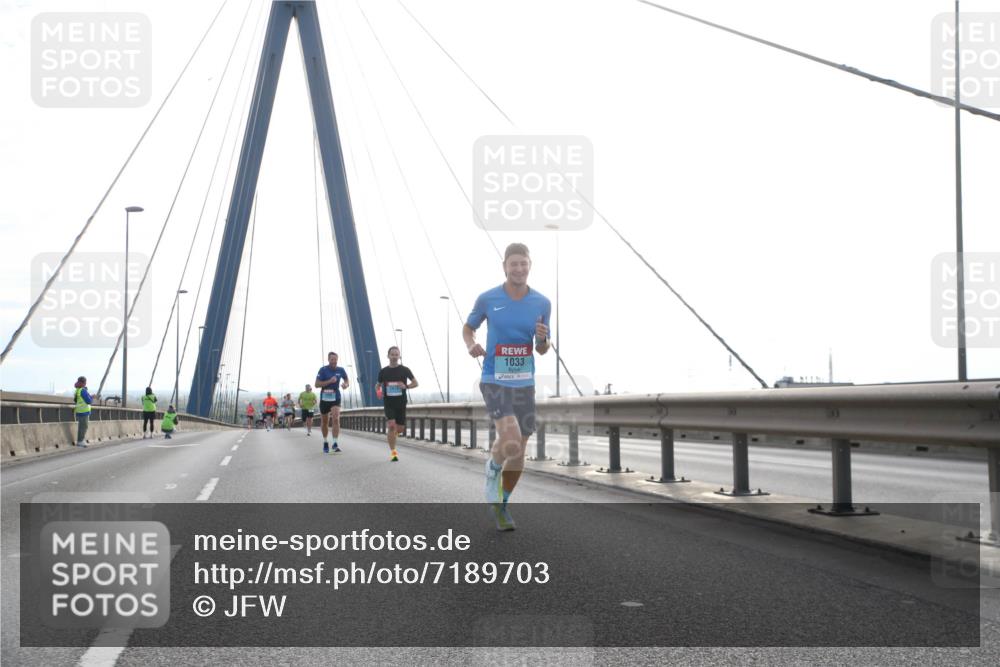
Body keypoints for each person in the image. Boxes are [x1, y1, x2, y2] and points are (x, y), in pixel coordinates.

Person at [463, 242, 550, 531]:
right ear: (505, 266)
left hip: (524, 382)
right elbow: (468, 327)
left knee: (519, 447)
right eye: (513, 264)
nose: (519, 269)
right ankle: (492, 470)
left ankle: (503, 503)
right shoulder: (488, 299)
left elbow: (542, 349)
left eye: (523, 263)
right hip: (494, 378)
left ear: (529, 265)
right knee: (510, 436)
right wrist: (471, 344)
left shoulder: (542, 303)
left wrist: (542, 339)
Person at [377, 346, 418, 462]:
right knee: (391, 426)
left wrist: (406, 386)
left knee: (399, 429)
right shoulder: (383, 371)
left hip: (401, 403)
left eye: (396, 354)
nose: (394, 357)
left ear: (399, 356)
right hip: (389, 403)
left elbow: (416, 383)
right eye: (392, 354)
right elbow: (377, 385)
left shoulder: (405, 370)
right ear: (388, 356)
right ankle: (393, 453)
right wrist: (379, 392)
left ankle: (394, 436)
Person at [315, 351, 349, 453]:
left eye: (335, 359)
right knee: (324, 422)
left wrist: (345, 385)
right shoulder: (323, 370)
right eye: (332, 359)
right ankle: (325, 441)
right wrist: (329, 381)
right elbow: (316, 384)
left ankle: (335, 443)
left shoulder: (341, 370)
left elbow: (347, 380)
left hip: (335, 397)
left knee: (335, 419)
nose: (334, 361)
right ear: (328, 359)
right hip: (324, 398)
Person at [73, 376, 93, 447]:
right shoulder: (83, 390)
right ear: (83, 383)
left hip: (79, 411)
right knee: (84, 427)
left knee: (81, 426)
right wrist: (91, 397)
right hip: (84, 411)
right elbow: (89, 401)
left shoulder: (77, 390)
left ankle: (80, 440)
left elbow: (75, 400)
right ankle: (80, 441)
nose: (85, 384)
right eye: (85, 382)